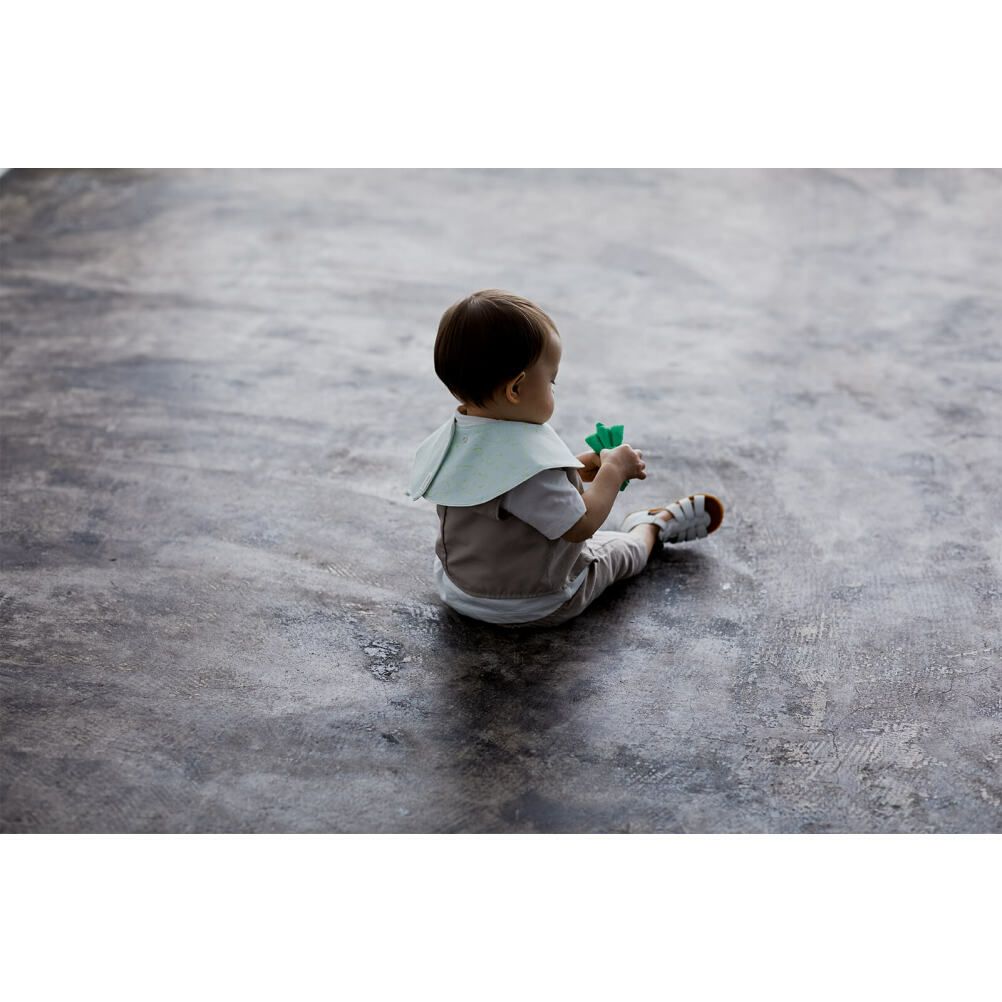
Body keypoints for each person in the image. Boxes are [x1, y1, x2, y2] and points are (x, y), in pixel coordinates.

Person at [406, 289, 724, 628]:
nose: (553, 388)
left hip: (458, 589)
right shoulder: (533, 472)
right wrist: (613, 471)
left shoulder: (456, 440)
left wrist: (574, 468)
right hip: (534, 603)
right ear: (516, 390)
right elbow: (580, 526)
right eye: (551, 381)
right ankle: (650, 528)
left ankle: (646, 526)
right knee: (616, 550)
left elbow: (506, 486)